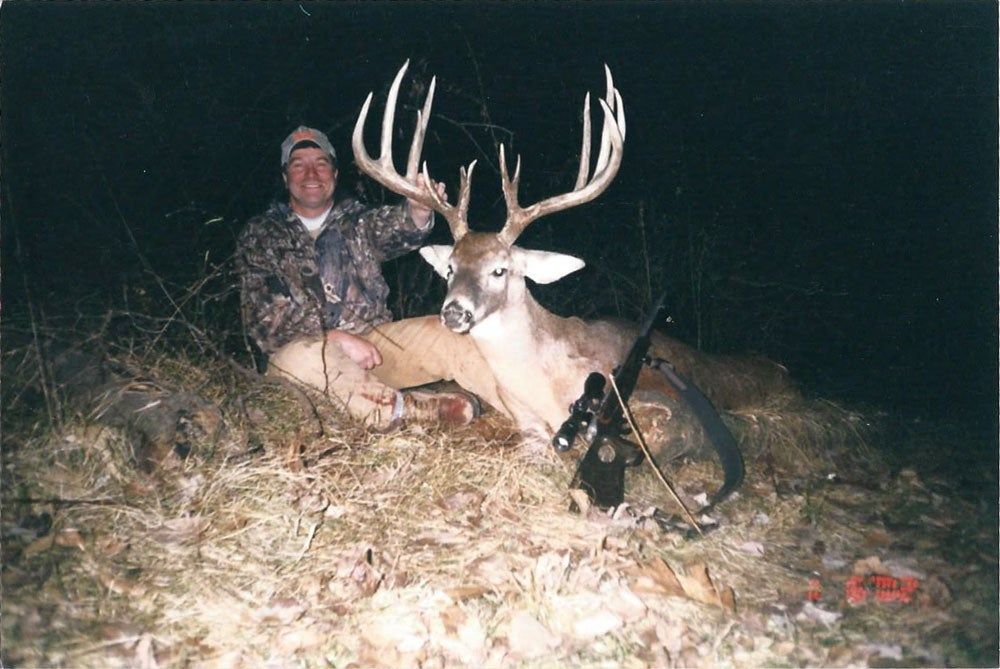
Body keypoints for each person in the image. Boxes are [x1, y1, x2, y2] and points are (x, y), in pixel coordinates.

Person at [236, 126, 505, 429]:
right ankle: (405, 411)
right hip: (304, 364)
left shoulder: (357, 223)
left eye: (321, 163)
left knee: (450, 334)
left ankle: (522, 408)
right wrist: (333, 339)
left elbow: (398, 226)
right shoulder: (261, 235)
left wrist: (417, 210)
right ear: (285, 177)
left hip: (375, 352)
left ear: (335, 174)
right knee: (297, 359)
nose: (311, 173)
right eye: (299, 165)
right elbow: (264, 324)